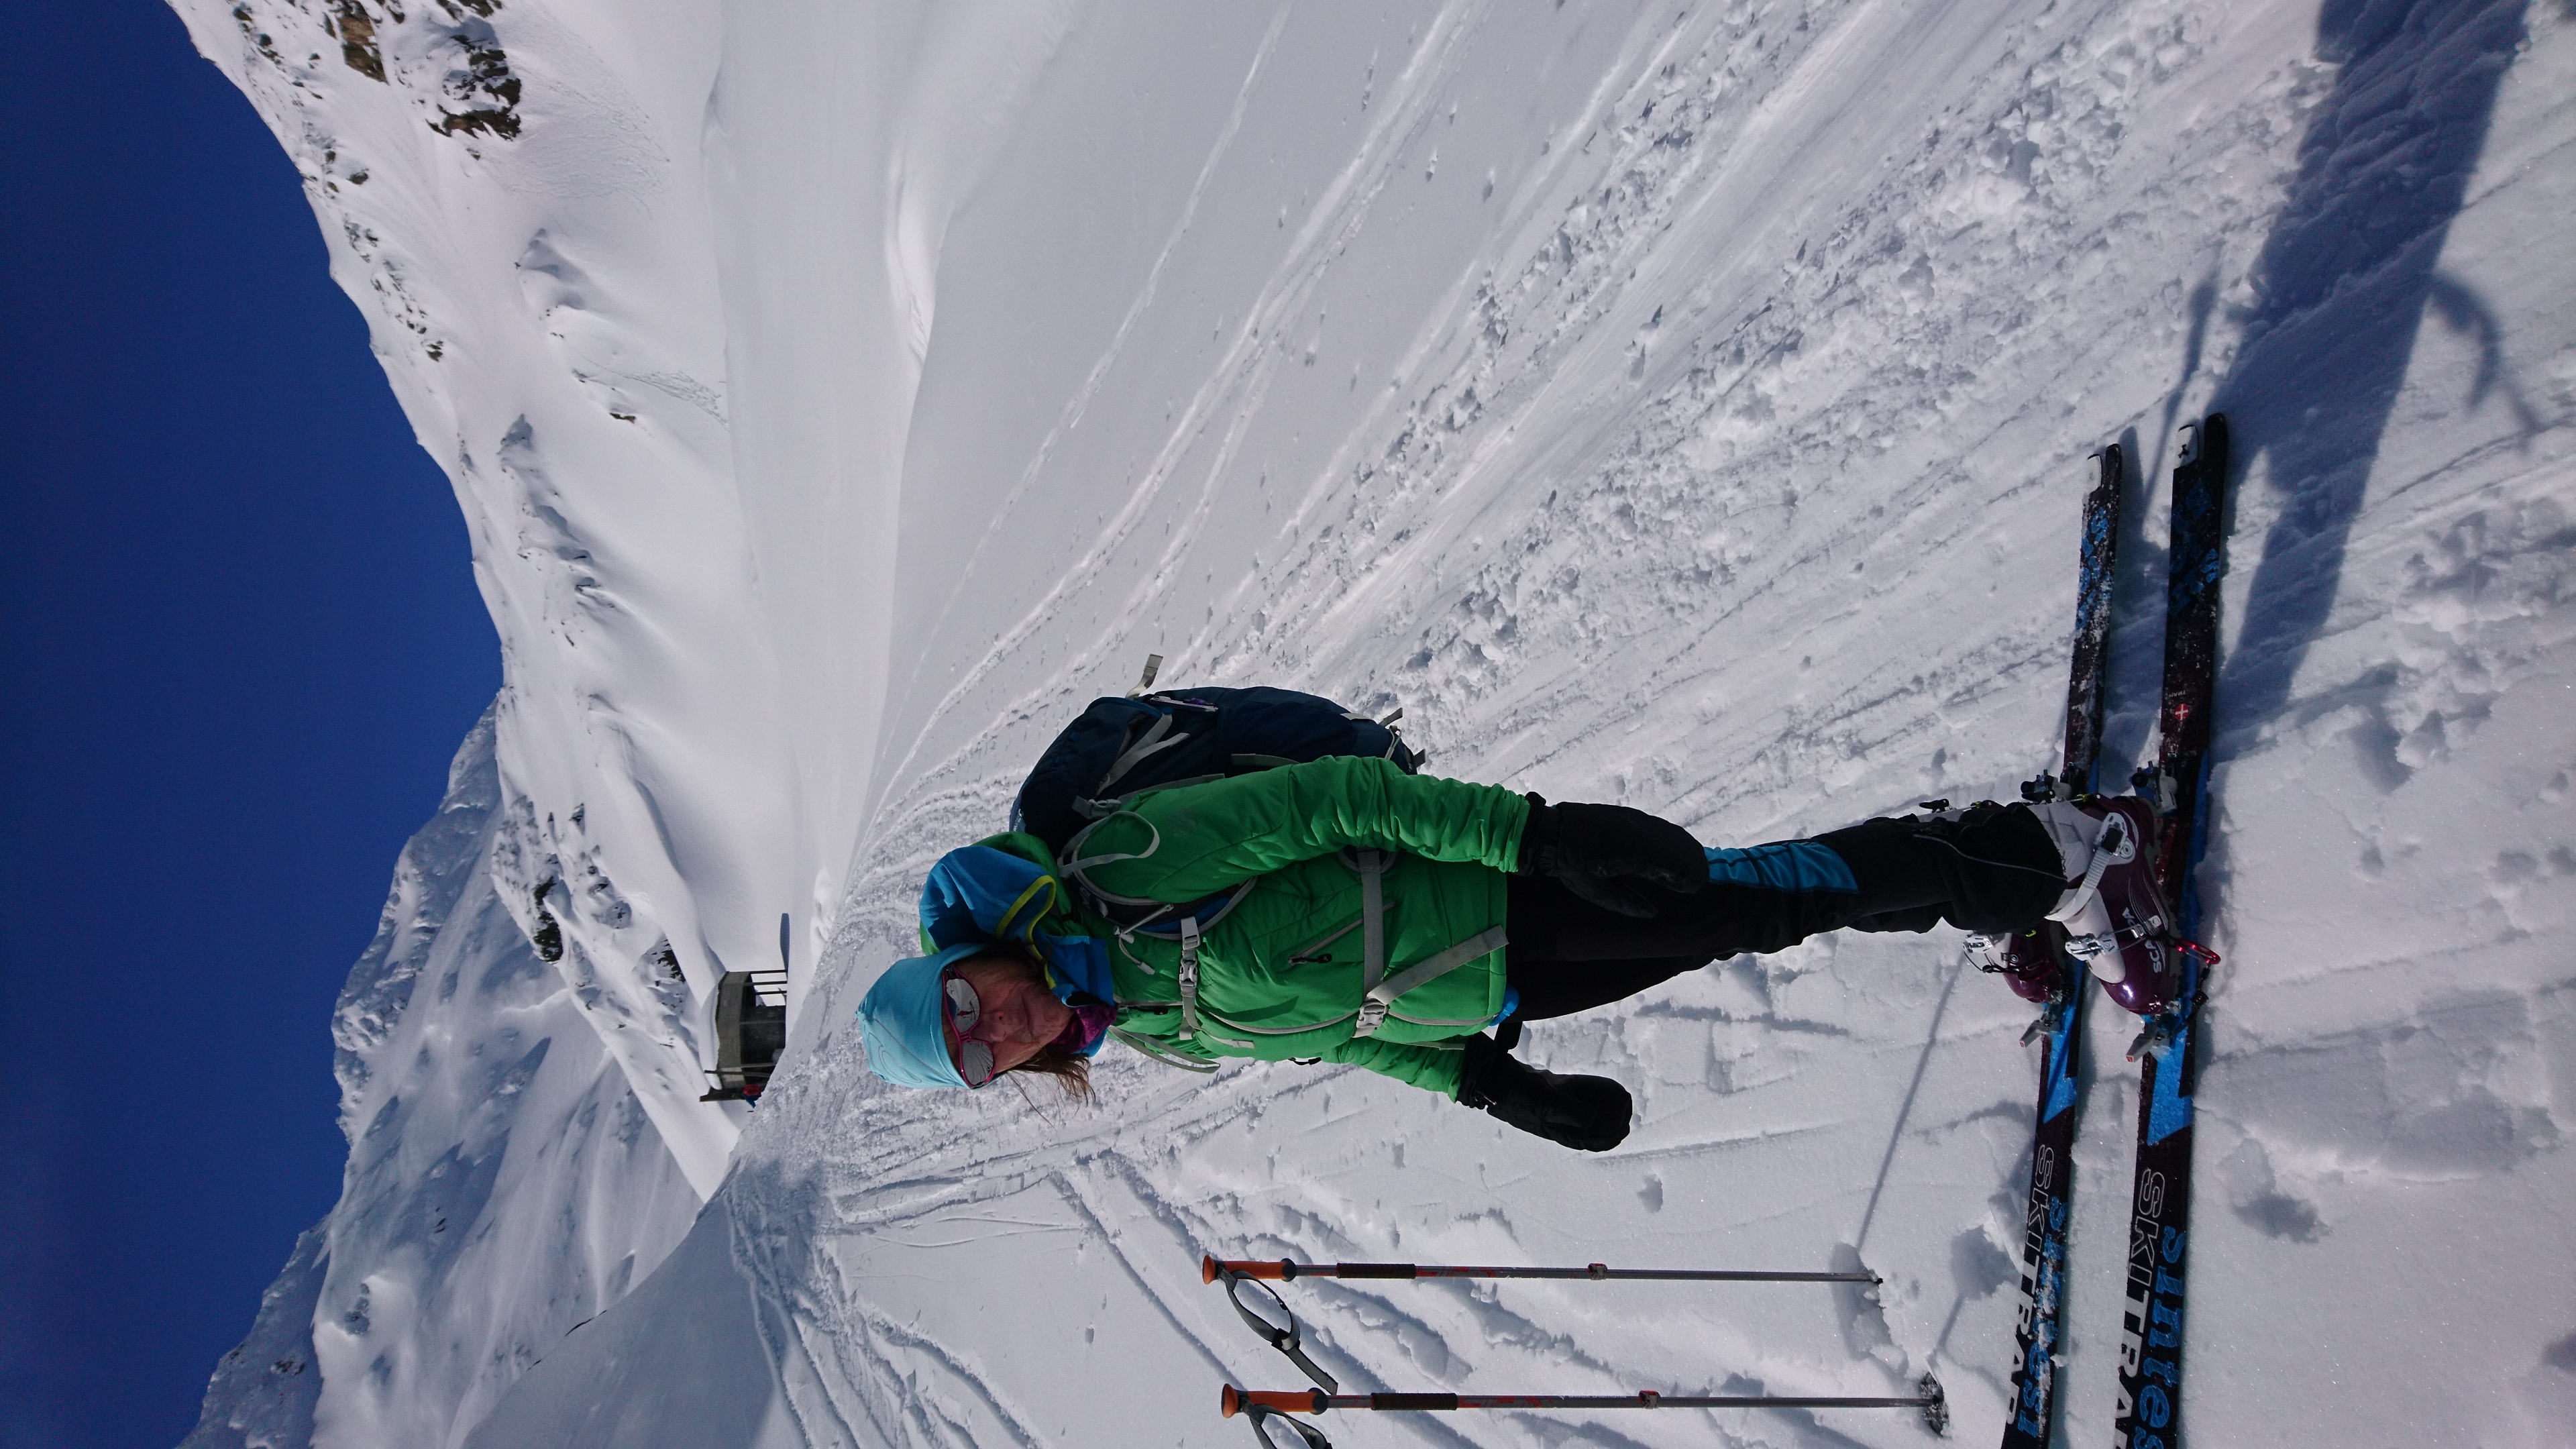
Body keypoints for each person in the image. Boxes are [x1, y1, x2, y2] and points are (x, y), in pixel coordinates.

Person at [855, 755, 2171, 1151]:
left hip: (1504, 895)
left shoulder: (1121, 873)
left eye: (965, 1007)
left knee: (1771, 902)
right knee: (1764, 903)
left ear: (965, 960)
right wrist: (1480, 1086)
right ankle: (1995, 855)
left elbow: (1322, 803)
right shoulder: (1120, 1017)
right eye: (976, 1061)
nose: (998, 1034)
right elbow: (1336, 1030)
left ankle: (2067, 851)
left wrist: (1535, 836)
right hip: (1498, 983)